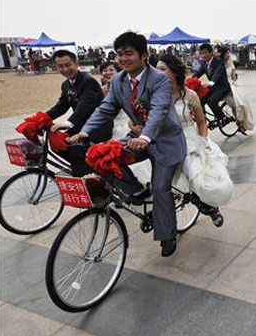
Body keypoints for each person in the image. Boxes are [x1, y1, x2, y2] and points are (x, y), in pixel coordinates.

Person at [68, 31, 187, 257]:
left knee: (161, 187)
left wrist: (145, 137)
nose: (123, 59)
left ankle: (168, 234)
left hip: (165, 140)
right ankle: (138, 193)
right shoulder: (118, 80)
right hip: (138, 138)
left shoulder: (158, 79)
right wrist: (84, 132)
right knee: (104, 155)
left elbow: (159, 110)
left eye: (129, 53)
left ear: (143, 56)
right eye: (119, 54)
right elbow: (106, 109)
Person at [154, 54, 229, 226]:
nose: (158, 73)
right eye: (156, 69)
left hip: (189, 139)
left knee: (196, 171)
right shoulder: (155, 95)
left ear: (174, 72)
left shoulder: (190, 96)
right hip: (165, 141)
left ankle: (209, 206)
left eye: (163, 69)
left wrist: (203, 142)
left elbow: (202, 123)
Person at [45, 50, 112, 177]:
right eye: (60, 66)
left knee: (77, 155)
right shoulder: (66, 85)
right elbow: (62, 105)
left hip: (97, 126)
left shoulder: (88, 81)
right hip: (80, 124)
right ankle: (86, 172)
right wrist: (42, 119)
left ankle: (91, 180)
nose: (65, 69)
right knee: (60, 144)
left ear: (76, 64)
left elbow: (84, 106)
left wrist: (67, 123)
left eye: (68, 65)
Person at [219, 47, 255, 134]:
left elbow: (233, 77)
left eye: (228, 53)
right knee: (235, 104)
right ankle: (239, 122)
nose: (228, 55)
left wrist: (235, 76)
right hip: (223, 87)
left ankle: (241, 122)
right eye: (226, 53)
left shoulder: (230, 64)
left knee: (243, 101)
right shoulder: (219, 64)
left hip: (232, 85)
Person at [192, 43, 231, 122]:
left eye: (205, 53)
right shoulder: (204, 63)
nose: (203, 55)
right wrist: (189, 81)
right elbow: (198, 73)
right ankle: (202, 119)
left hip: (222, 88)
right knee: (200, 100)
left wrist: (210, 82)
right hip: (213, 88)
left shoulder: (218, 61)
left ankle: (223, 118)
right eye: (201, 53)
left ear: (211, 53)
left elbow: (217, 74)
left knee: (211, 101)